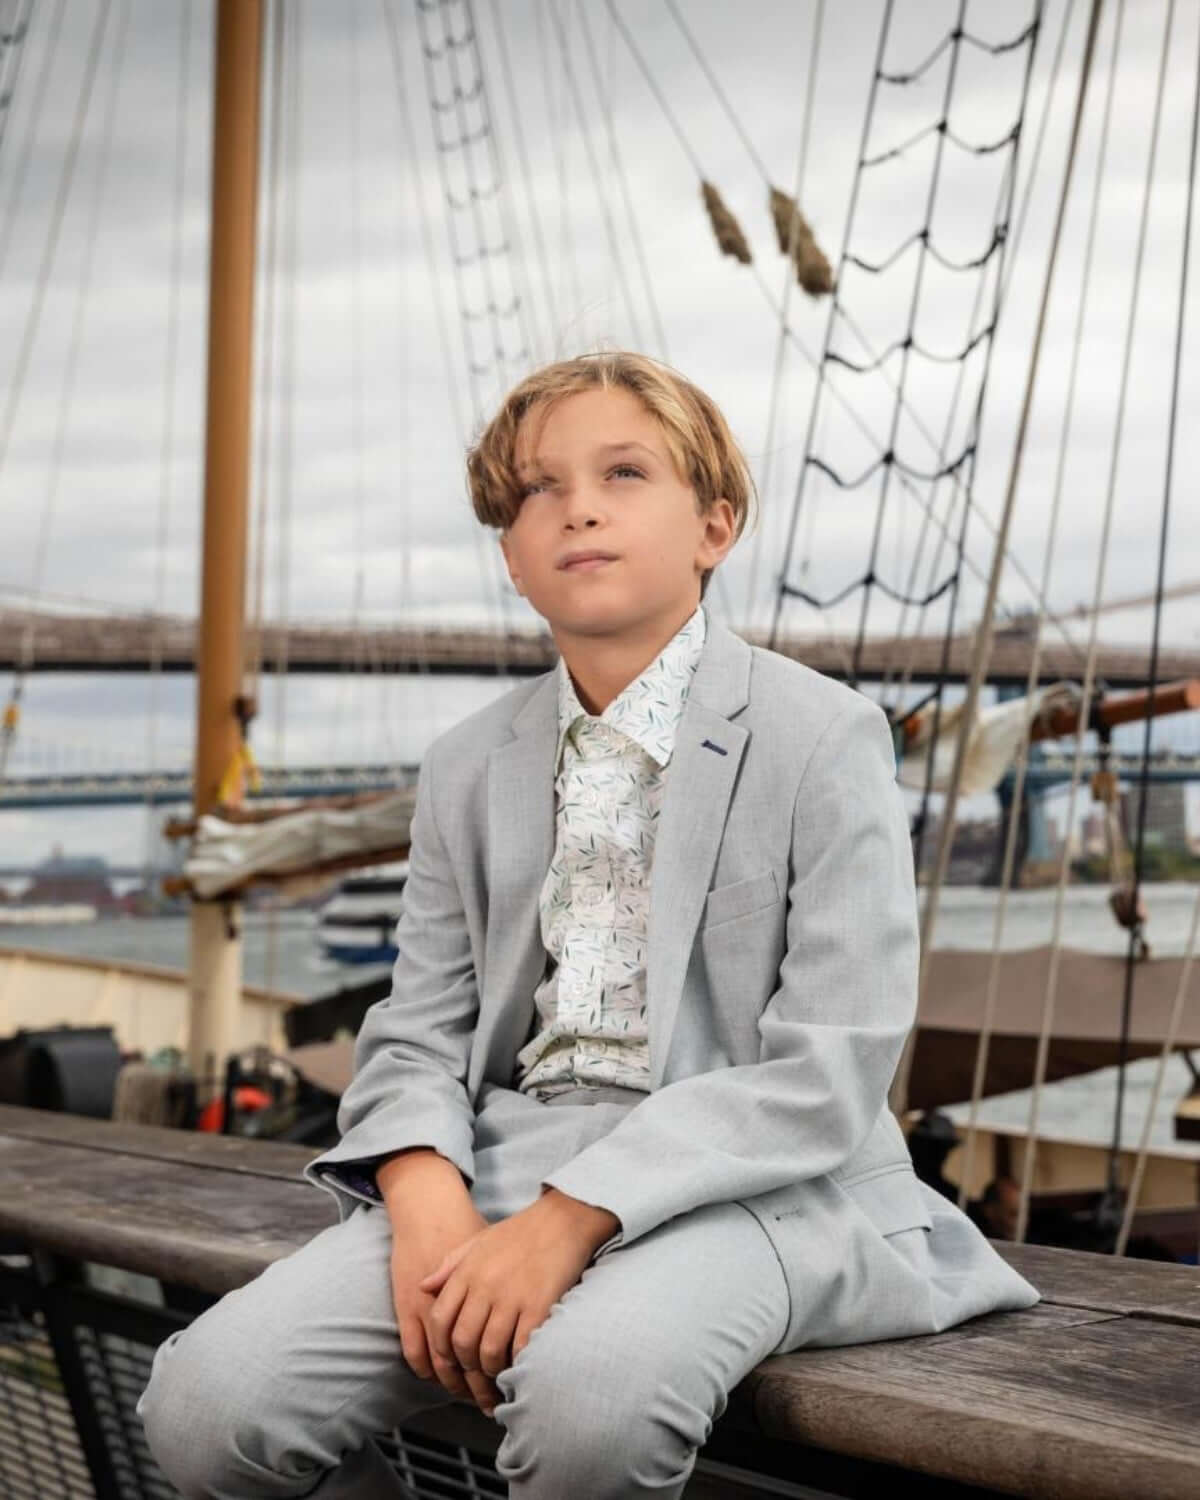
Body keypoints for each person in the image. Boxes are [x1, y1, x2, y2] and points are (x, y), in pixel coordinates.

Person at [137, 351, 1039, 1499]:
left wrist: (567, 1222)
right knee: (207, 1408)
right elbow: (417, 1029)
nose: (580, 507)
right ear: (513, 559)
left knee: (592, 1406)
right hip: (510, 1157)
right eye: (536, 491)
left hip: (759, 1181)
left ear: (714, 527)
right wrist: (424, 1200)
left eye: (625, 470)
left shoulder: (825, 736)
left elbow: (833, 1067)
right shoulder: (469, 765)